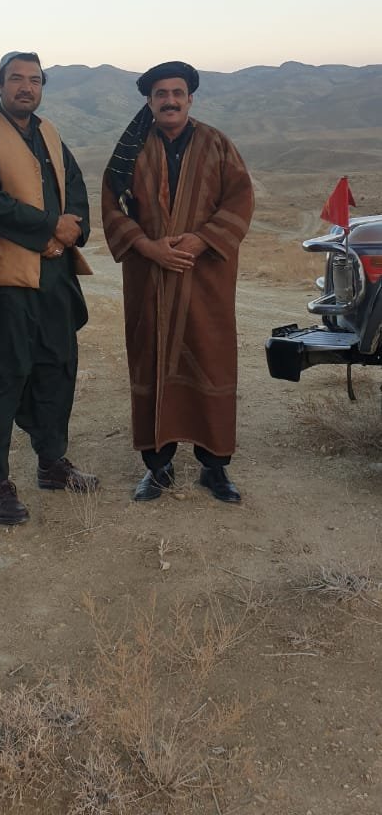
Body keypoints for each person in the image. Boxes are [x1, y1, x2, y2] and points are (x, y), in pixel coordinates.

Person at [0, 51, 98, 525]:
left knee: (57, 369)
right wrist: (49, 229)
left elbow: (75, 187)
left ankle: (52, 462)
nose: (25, 87)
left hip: (55, 278)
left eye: (34, 80)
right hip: (5, 281)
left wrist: (72, 230)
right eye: (16, 79)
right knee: (2, 376)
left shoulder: (49, 132)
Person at [102, 60, 254, 504]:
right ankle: (158, 467)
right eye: (161, 94)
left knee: (211, 357)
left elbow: (240, 199)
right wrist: (147, 246)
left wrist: (201, 240)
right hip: (148, 277)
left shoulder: (217, 144)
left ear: (190, 99)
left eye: (177, 93)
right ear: (150, 101)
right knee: (150, 359)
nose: (169, 101)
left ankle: (215, 467)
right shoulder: (131, 148)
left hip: (204, 276)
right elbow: (111, 205)